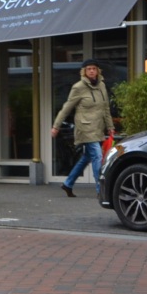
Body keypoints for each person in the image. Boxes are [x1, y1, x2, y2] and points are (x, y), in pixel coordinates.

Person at [51, 58, 115, 197]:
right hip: (85, 128)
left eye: (94, 68)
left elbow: (106, 109)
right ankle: (101, 190)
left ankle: (68, 183)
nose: (91, 71)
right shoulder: (78, 87)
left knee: (87, 157)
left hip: (98, 128)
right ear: (84, 72)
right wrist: (56, 125)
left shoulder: (102, 86)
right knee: (97, 156)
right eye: (88, 69)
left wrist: (110, 126)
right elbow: (66, 108)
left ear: (98, 71)